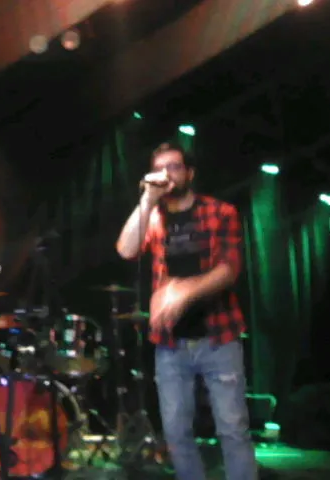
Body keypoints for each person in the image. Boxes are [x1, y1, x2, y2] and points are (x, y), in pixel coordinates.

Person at [116, 143, 257, 480]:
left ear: (190, 173)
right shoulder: (154, 217)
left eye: (174, 167)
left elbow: (229, 270)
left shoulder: (220, 211)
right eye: (159, 168)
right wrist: (147, 199)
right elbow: (126, 249)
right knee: (176, 433)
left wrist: (183, 291)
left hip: (219, 336)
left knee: (233, 429)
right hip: (171, 343)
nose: (166, 174)